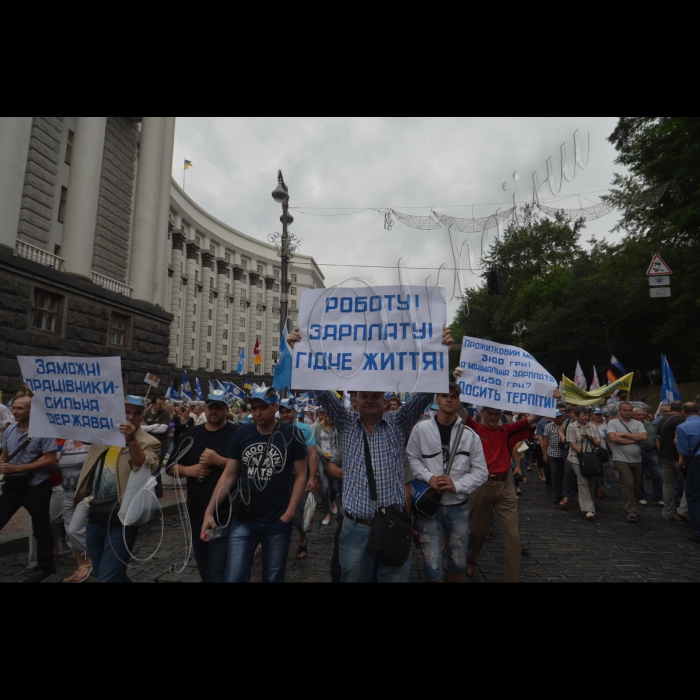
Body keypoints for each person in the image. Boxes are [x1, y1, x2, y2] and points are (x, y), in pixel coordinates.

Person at [287, 326, 456, 583]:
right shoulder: (344, 422)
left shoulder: (399, 421)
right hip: (354, 528)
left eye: (375, 395)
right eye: (363, 395)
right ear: (354, 399)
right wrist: (298, 350)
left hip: (393, 525)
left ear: (385, 399)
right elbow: (320, 389)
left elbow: (424, 394)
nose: (369, 399)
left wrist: (442, 352)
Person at [202, 387, 308, 583]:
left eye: (263, 407)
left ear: (275, 406)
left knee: (273, 576)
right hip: (245, 518)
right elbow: (229, 475)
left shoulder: (292, 434)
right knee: (234, 576)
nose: (257, 413)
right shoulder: (242, 434)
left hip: (278, 520)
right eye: (254, 408)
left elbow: (301, 475)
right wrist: (210, 511)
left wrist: (290, 514)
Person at [74, 396, 161, 583]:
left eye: (136, 413)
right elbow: (78, 430)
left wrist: (131, 440)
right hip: (96, 512)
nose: (130, 417)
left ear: (142, 417)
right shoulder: (103, 434)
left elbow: (144, 465)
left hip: (123, 516)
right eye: (126, 412)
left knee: (107, 577)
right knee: (104, 573)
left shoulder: (149, 441)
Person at [407, 383, 488, 583]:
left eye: (453, 396)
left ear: (459, 400)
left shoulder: (470, 435)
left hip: (457, 507)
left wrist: (457, 485)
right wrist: (428, 478)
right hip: (429, 508)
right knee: (430, 563)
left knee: (458, 561)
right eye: (444, 395)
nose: (449, 399)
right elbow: (411, 458)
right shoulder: (421, 429)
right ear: (437, 399)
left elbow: (481, 471)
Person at [167, 390, 237, 583]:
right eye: (210, 407)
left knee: (217, 568)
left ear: (226, 410)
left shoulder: (236, 433)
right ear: (205, 408)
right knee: (203, 564)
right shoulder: (192, 434)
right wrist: (191, 471)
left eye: (218, 408)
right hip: (196, 510)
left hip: (225, 511)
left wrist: (220, 461)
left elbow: (244, 468)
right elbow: (169, 468)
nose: (213, 411)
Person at [0, 396, 58, 583]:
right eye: (13, 408)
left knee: (41, 527)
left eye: (19, 408)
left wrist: (16, 468)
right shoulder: (10, 430)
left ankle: (46, 568)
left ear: (31, 411)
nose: (14, 411)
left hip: (36, 486)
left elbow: (50, 460)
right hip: (12, 485)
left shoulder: (44, 431)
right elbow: (5, 454)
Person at [278, 398, 318, 562]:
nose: (285, 415)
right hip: (279, 477)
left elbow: (313, 455)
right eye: (282, 411)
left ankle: (302, 538)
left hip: (298, 478)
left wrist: (312, 478)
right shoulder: (274, 428)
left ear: (295, 412)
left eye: (288, 411)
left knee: (298, 515)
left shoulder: (304, 429)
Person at [57, 440, 93, 584]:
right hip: (68, 494)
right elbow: (60, 468)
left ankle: (88, 563)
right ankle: (81, 565)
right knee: (69, 534)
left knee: (75, 530)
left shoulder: (92, 443)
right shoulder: (67, 444)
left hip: (85, 494)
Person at [607, 402, 648, 525]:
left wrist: (624, 435)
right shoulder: (613, 423)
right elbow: (613, 438)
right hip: (621, 458)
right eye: (625, 410)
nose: (628, 412)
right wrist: (634, 439)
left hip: (637, 459)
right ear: (620, 411)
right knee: (628, 483)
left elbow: (644, 437)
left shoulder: (638, 423)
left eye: (630, 410)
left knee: (635, 485)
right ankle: (631, 511)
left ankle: (632, 507)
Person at [657, 401, 690, 523]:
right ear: (682, 410)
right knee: (688, 483)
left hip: (665, 456)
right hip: (677, 457)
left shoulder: (663, 420)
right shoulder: (680, 421)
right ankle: (683, 509)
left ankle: (667, 512)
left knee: (668, 485)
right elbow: (678, 440)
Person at [566, 407, 602, 520]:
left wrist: (590, 438)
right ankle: (588, 509)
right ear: (577, 416)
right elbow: (572, 443)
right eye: (583, 415)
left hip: (591, 458)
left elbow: (598, 443)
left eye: (587, 415)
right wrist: (582, 454)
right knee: (582, 481)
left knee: (591, 481)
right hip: (576, 458)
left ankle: (590, 502)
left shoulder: (592, 426)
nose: (586, 417)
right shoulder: (571, 426)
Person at [676, 403, 700, 544]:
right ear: (698, 411)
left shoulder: (682, 427)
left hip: (697, 462)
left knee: (694, 497)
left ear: (683, 412)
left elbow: (684, 451)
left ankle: (698, 532)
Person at [313, 411, 339, 527]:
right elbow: (314, 443)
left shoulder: (337, 428)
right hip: (322, 459)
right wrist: (322, 453)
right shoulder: (318, 426)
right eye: (328, 416)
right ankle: (326, 514)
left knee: (334, 487)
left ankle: (332, 501)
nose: (329, 419)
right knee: (325, 487)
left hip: (334, 460)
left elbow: (339, 444)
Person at [634, 408, 664, 508]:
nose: (642, 416)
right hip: (638, 453)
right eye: (639, 415)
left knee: (659, 475)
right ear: (634, 415)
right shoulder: (631, 425)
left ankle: (658, 498)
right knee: (638, 477)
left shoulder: (649, 423)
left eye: (643, 414)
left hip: (652, 452)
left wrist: (660, 451)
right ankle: (641, 497)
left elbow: (655, 438)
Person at [543, 411, 569, 506]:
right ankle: (556, 494)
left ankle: (564, 493)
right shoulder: (548, 426)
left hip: (564, 453)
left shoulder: (567, 425)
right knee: (554, 473)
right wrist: (545, 454)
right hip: (553, 453)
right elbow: (545, 441)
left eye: (560, 417)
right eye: (556, 417)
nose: (559, 418)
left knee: (564, 474)